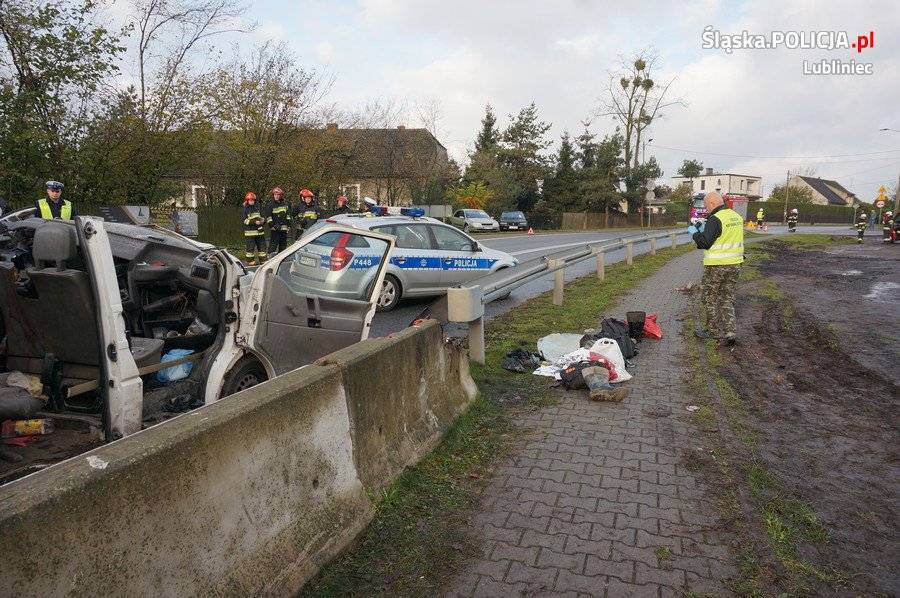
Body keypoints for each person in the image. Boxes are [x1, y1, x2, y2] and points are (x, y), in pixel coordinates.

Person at [690, 192, 744, 347]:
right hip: (735, 264)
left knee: (709, 297)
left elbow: (705, 242)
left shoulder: (716, 219)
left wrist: (695, 233)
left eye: (707, 206)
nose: (706, 209)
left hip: (717, 266)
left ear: (713, 203)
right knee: (727, 298)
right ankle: (730, 332)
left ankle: (713, 331)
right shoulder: (735, 216)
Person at [242, 192, 266, 265]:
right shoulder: (245, 209)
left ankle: (263, 260)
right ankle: (250, 261)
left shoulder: (258, 208)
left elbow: (263, 217)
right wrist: (254, 222)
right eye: (250, 200)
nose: (252, 201)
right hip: (250, 233)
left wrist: (263, 221)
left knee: (262, 247)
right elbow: (245, 220)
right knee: (250, 248)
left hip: (260, 232)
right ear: (247, 200)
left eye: (253, 200)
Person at [266, 186, 291, 254]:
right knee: (273, 245)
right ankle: (270, 259)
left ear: (281, 196)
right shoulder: (270, 205)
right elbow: (268, 217)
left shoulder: (285, 204)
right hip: (275, 230)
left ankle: (281, 260)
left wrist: (289, 226)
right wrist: (273, 226)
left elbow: (288, 216)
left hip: (284, 229)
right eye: (275, 194)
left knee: (283, 245)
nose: (276, 196)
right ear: (273, 195)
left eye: (278, 195)